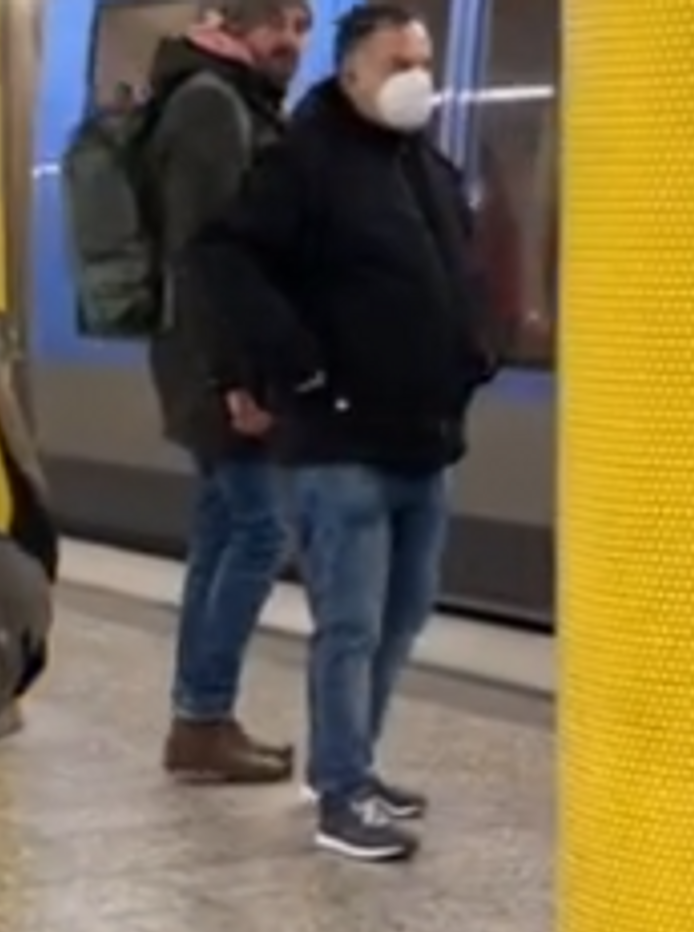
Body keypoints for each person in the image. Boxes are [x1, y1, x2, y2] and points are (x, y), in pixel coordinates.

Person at [189, 2, 498, 862]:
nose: (418, 79)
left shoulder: (424, 165)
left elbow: (458, 270)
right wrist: (298, 368)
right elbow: (222, 257)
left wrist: (477, 352)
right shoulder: (303, 163)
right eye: (400, 62)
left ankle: (351, 764)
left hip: (424, 436)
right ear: (354, 70)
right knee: (351, 624)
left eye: (424, 62)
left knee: (401, 619)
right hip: (341, 442)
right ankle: (340, 794)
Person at [143, 0, 312, 785]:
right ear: (236, 26)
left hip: (209, 362)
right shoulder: (212, 105)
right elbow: (206, 255)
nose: (292, 42)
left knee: (222, 535)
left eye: (303, 26)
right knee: (260, 533)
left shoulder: (225, 97)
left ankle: (199, 718)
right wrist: (239, 380)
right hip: (220, 366)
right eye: (278, 23)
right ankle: (203, 717)